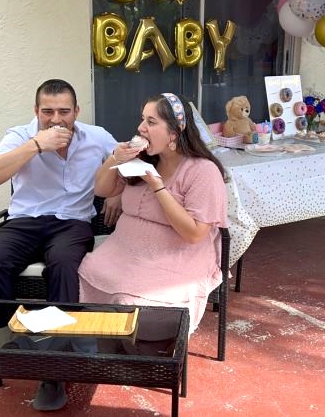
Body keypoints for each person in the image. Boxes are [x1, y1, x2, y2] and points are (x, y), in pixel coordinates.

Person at [0, 78, 120, 410]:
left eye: (64, 111)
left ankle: (52, 369)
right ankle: (5, 339)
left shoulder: (96, 137)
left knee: (65, 266)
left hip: (72, 223)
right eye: (48, 111)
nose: (56, 119)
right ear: (36, 111)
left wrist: (119, 193)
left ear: (76, 111)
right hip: (24, 221)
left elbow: (124, 161)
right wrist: (36, 145)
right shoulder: (20, 136)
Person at [78, 92, 228, 334]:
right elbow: (102, 189)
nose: (140, 128)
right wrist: (114, 158)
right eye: (142, 119)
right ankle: (104, 348)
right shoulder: (144, 159)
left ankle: (136, 360)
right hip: (124, 252)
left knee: (130, 303)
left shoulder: (203, 171)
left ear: (174, 132)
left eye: (151, 122)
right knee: (86, 274)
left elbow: (194, 234)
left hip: (175, 258)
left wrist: (157, 185)